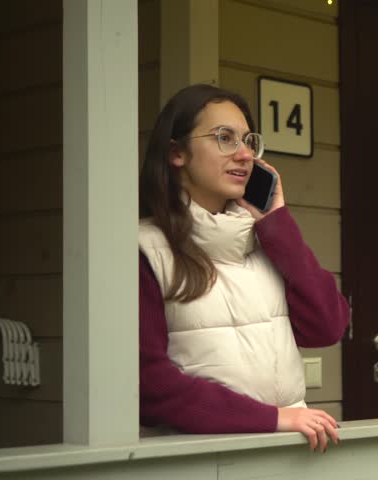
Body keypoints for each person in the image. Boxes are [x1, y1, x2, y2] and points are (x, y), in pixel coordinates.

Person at [138, 84, 348, 452]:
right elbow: (149, 384)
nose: (245, 154)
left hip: (288, 459)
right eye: (225, 138)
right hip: (198, 463)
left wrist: (278, 223)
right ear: (177, 152)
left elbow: (328, 326)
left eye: (249, 141)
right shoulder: (145, 250)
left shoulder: (265, 240)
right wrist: (274, 418)